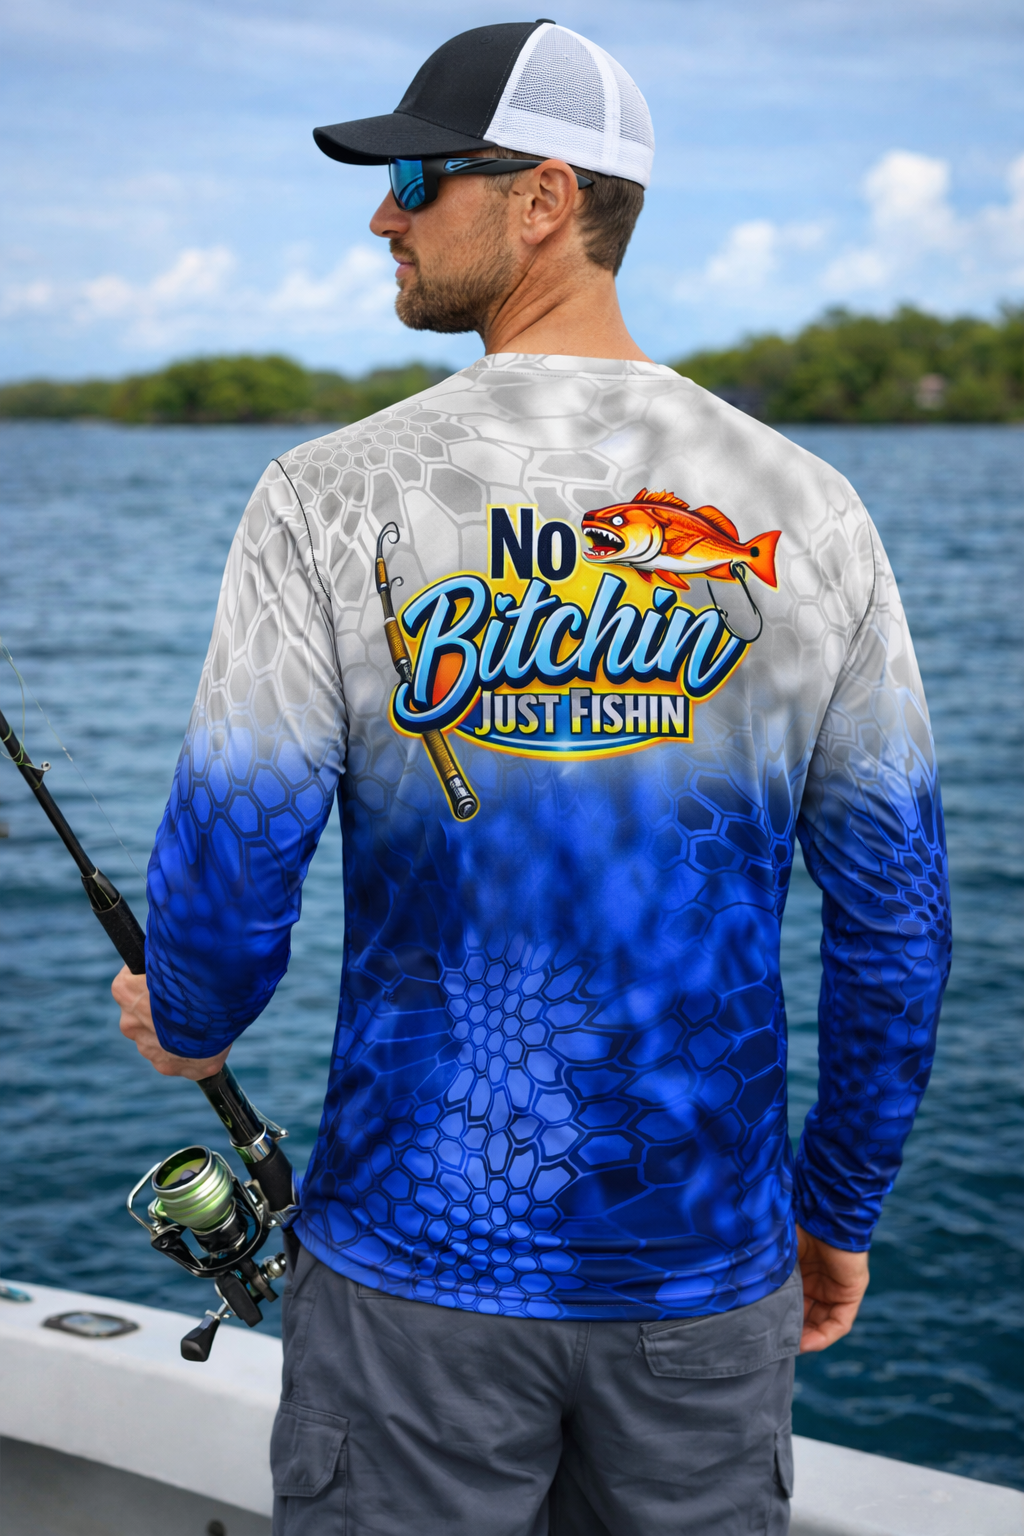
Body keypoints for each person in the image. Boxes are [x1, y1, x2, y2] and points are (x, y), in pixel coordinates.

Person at [113, 19, 951, 1536]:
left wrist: (187, 1009)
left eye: (418, 179)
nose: (384, 214)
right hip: (709, 1279)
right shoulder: (812, 510)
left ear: (545, 197)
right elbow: (896, 922)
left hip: (410, 1285)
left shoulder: (328, 494)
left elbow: (239, 864)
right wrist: (837, 1210)